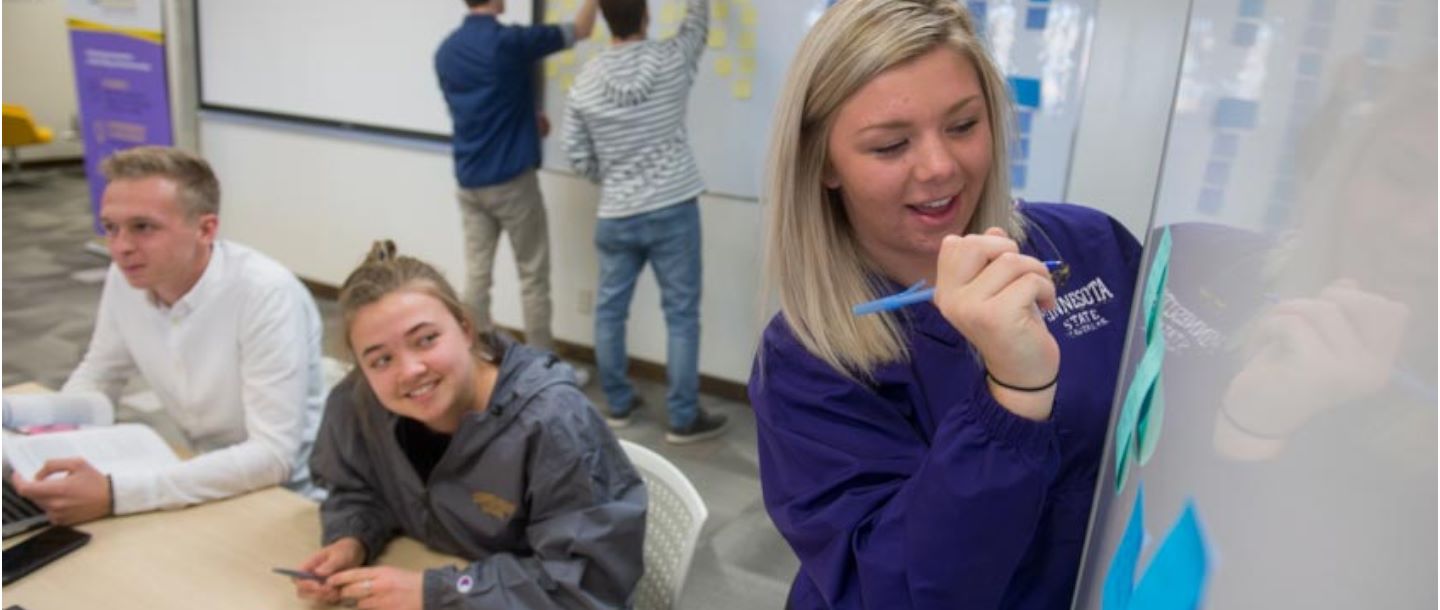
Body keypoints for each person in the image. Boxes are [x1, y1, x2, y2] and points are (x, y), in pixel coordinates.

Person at [747, 1, 1141, 608]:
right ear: (824, 163)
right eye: (889, 145)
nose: (940, 167)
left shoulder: (1090, 247)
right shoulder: (805, 362)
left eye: (962, 126)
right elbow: (903, 591)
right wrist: (1013, 398)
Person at [293, 241, 646, 610]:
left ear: (465, 329)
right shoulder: (359, 402)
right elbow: (358, 489)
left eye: (426, 339)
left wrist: (438, 592)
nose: (410, 370)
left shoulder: (553, 422)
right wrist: (352, 539)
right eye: (381, 360)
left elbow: (586, 587)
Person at [10, 146, 325, 525]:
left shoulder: (265, 293)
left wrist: (115, 493)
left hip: (290, 497)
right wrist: (54, 453)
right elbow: (100, 374)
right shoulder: (128, 276)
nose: (121, 247)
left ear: (206, 229)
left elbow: (273, 456)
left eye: (143, 227)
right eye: (111, 227)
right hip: (195, 472)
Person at [562, 0, 727, 443]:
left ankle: (617, 405)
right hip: (673, 207)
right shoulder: (671, 59)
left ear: (602, 19)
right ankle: (682, 416)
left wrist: (614, 179)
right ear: (645, 16)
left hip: (616, 213)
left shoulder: (586, 82)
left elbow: (576, 154)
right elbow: (697, 22)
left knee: (610, 311)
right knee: (681, 315)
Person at [435, 0, 598, 377]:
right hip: (511, 182)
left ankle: (474, 364)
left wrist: (525, 118)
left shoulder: (446, 52)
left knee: (477, 275)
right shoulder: (510, 43)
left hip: (469, 179)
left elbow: (479, 107)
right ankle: (544, 370)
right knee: (533, 276)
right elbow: (582, 29)